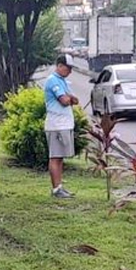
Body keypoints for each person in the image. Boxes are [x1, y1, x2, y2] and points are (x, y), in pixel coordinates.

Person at [44, 54, 78, 199]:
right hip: (56, 124)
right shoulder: (53, 80)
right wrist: (69, 99)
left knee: (60, 158)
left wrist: (70, 99)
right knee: (55, 157)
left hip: (64, 124)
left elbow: (74, 99)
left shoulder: (63, 81)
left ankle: (60, 187)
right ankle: (56, 189)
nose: (69, 71)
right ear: (59, 66)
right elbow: (64, 100)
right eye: (67, 68)